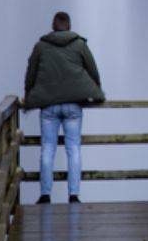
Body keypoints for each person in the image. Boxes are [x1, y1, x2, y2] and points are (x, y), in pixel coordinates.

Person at [23, 10, 104, 204]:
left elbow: (30, 73)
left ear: (53, 26)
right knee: (73, 149)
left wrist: (28, 95)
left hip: (49, 107)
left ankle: (45, 195)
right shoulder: (79, 44)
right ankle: (74, 195)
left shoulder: (41, 46)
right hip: (73, 106)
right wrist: (96, 89)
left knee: (47, 149)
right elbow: (93, 70)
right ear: (69, 26)